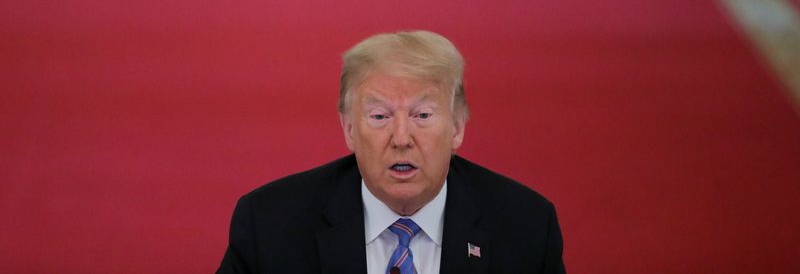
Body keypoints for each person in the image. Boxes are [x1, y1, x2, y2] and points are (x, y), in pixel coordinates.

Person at [216, 30, 566, 274]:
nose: (401, 138)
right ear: (349, 129)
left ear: (458, 127)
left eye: (422, 115)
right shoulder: (270, 224)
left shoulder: (526, 228)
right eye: (380, 116)